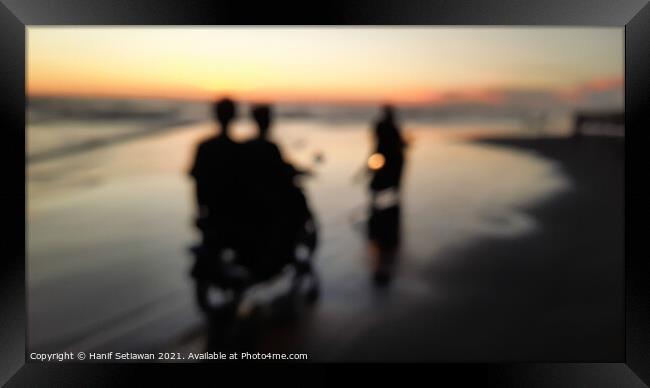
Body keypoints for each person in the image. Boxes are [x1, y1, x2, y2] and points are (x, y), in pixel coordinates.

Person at [189, 98, 247, 284]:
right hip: (231, 213)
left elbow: (196, 181)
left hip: (210, 211)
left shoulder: (204, 147)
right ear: (234, 116)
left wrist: (199, 209)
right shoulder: (238, 149)